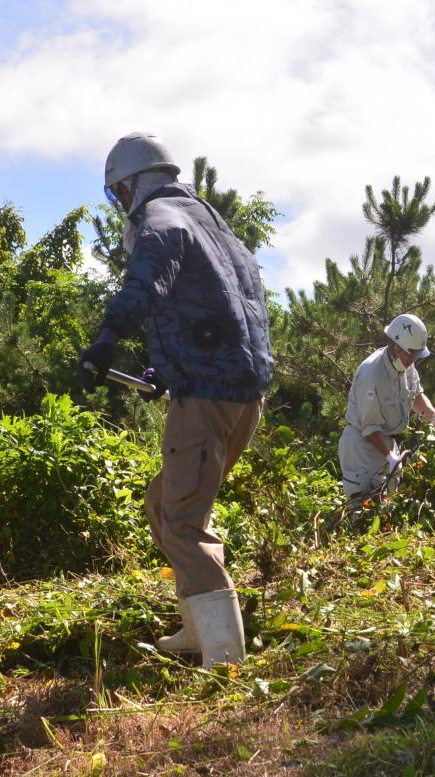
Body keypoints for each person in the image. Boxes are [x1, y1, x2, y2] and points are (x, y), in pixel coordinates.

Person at [76, 132, 273, 668]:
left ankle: (226, 661)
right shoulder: (214, 226)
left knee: (183, 521)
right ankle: (196, 627)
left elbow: (147, 283)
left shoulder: (162, 219)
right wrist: (169, 368)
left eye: (118, 193)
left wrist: (106, 339)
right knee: (165, 502)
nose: (120, 204)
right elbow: (221, 310)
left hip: (208, 395)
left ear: (133, 184)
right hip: (241, 393)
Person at [339, 313, 435, 499]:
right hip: (362, 449)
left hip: (387, 444)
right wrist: (390, 457)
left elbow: (415, 396)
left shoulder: (406, 364)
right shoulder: (370, 374)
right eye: (411, 353)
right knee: (362, 511)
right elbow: (370, 427)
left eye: (416, 355)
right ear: (395, 345)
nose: (413, 359)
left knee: (389, 508)